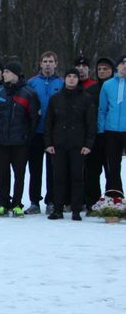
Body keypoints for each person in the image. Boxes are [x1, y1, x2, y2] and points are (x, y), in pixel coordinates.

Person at [44, 68, 95, 221]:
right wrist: (48, 143)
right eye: (69, 76)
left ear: (78, 79)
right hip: (59, 144)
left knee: (77, 177)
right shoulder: (55, 98)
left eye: (74, 77)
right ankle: (58, 209)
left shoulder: (86, 98)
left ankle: (76, 210)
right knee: (58, 177)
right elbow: (49, 123)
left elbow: (91, 123)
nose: (72, 79)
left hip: (78, 145)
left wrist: (88, 144)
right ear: (64, 79)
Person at [0, 62, 40, 217]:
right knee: (2, 174)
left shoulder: (29, 93)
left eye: (6, 71)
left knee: (19, 174)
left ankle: (17, 204)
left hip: (20, 142)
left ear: (15, 74)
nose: (3, 74)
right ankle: (3, 204)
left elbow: (33, 118)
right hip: (1, 141)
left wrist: (26, 136)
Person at [26, 51, 63, 214]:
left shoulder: (61, 83)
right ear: (40, 64)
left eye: (51, 61)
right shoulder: (32, 83)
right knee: (35, 169)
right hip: (36, 132)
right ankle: (34, 201)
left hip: (54, 134)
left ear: (56, 64)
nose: (48, 64)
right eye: (45, 61)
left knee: (53, 169)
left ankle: (51, 201)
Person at [84, 57, 115, 205]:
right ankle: (92, 201)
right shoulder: (91, 90)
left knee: (111, 171)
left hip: (111, 135)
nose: (102, 71)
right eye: (100, 69)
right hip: (94, 136)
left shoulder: (116, 88)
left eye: (106, 69)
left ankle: (112, 200)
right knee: (92, 171)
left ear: (112, 70)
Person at [97, 56, 126, 195]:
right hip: (111, 131)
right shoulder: (107, 85)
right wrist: (101, 130)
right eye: (122, 63)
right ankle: (115, 197)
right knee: (113, 166)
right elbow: (102, 109)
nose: (125, 66)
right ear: (117, 67)